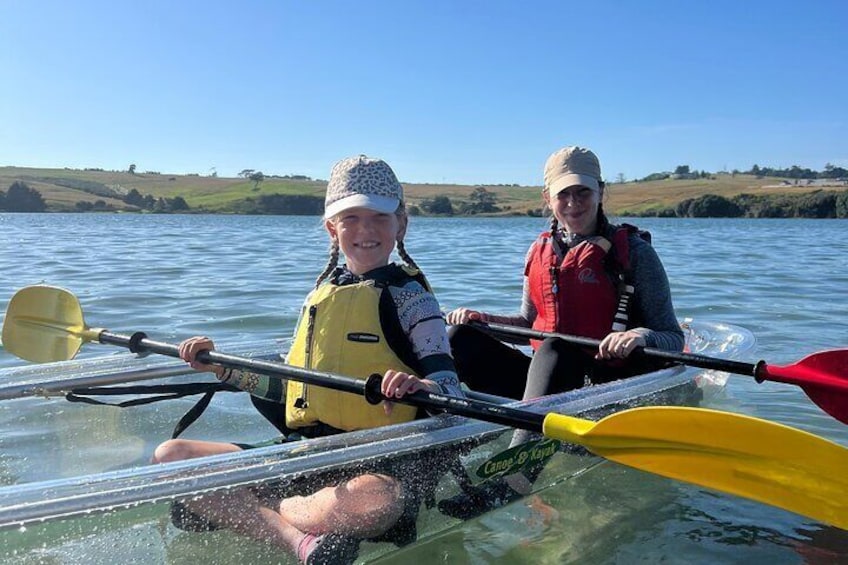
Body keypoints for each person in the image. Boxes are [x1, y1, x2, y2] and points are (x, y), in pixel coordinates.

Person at [152, 155, 462, 564]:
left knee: (374, 503)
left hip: (378, 464)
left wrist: (423, 388)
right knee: (170, 457)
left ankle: (252, 508)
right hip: (307, 451)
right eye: (350, 217)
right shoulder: (319, 297)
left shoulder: (413, 299)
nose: (365, 230)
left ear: (400, 225)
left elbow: (451, 391)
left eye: (379, 217)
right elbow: (290, 388)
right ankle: (301, 541)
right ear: (332, 228)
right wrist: (222, 369)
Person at [439, 145, 684, 518]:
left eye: (582, 192)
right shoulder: (539, 252)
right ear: (547, 198)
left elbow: (672, 337)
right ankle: (446, 451)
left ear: (601, 191)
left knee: (554, 349)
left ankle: (514, 478)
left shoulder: (635, 254)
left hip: (606, 395)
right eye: (563, 194)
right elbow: (527, 326)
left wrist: (640, 335)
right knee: (459, 339)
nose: (573, 203)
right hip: (552, 388)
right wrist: (482, 320)